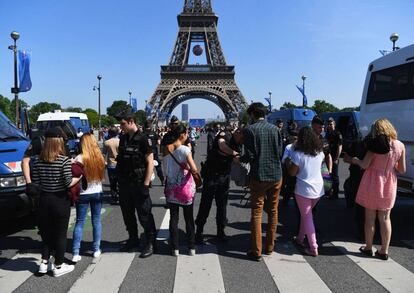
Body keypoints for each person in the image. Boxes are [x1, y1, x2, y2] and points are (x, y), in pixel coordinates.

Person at [344, 119, 405, 260]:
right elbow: (402, 169)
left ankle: (368, 247)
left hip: (373, 182)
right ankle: (384, 251)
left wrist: (354, 160)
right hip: (389, 183)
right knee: (385, 218)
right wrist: (390, 166)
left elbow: (364, 165)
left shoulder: (375, 145)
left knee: (370, 218)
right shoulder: (400, 145)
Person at [235, 103, 283, 261]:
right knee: (274, 210)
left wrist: (237, 159)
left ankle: (256, 250)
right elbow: (280, 152)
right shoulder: (276, 129)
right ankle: (270, 246)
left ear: (252, 114)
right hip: (276, 175)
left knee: (256, 212)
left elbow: (248, 156)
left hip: (259, 176)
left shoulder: (250, 130)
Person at [31, 128, 81, 277]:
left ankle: (44, 263)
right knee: (60, 235)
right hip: (59, 200)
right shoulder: (63, 160)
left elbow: (37, 182)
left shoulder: (38, 160)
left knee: (46, 234)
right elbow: (67, 182)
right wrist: (79, 177)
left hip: (44, 200)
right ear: (58, 142)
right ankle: (58, 265)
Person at [116, 113, 157, 257]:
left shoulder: (143, 138)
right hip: (125, 183)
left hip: (139, 183)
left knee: (144, 214)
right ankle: (133, 239)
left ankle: (151, 242)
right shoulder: (123, 138)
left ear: (131, 121)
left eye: (123, 124)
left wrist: (146, 184)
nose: (121, 127)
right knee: (127, 214)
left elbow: (150, 161)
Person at [195, 126, 240, 244]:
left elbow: (236, 160)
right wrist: (235, 153)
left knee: (222, 206)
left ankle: (221, 231)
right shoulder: (224, 134)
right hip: (212, 175)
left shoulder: (237, 142)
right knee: (205, 205)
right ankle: (199, 232)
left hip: (224, 176)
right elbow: (222, 145)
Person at [285, 127, 325, 257]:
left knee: (307, 216)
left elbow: (292, 172)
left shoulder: (298, 154)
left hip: (303, 189)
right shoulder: (320, 152)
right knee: (306, 215)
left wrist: (287, 163)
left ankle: (313, 246)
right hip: (318, 189)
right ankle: (300, 238)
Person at [164, 125, 198, 256]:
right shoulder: (185, 149)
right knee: (189, 219)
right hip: (185, 189)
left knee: (174, 218)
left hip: (171, 188)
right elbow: (194, 169)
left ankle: (175, 248)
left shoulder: (166, 149)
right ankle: (191, 247)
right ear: (182, 135)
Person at [71, 133, 106, 263]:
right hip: (97, 191)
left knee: (80, 222)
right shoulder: (99, 157)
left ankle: (75, 252)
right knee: (96, 221)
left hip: (83, 192)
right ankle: (96, 249)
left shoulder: (80, 158)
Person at [325, 118, 343, 199]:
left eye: (331, 124)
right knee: (327, 175)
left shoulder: (337, 133)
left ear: (334, 125)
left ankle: (335, 193)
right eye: (328, 124)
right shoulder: (327, 134)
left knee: (334, 176)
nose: (329, 126)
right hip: (327, 157)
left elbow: (340, 147)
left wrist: (336, 159)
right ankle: (328, 191)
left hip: (334, 158)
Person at [144, 121, 165, 185]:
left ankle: (149, 181)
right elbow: (159, 143)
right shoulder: (154, 134)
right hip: (154, 153)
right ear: (150, 126)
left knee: (146, 167)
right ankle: (162, 180)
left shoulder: (142, 134)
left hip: (146, 153)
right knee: (158, 167)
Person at [103, 127, 120, 203]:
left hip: (111, 164)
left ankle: (114, 197)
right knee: (120, 181)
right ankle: (121, 195)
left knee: (112, 182)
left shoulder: (107, 142)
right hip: (120, 164)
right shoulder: (121, 141)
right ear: (117, 133)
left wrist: (104, 162)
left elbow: (103, 154)